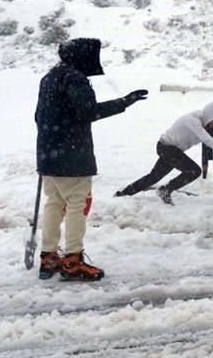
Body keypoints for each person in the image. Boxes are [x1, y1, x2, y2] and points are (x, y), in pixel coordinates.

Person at [35, 38, 148, 281]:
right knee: (77, 205)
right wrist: (124, 102)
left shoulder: (50, 77)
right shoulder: (75, 78)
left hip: (48, 155)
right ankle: (73, 261)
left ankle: (49, 256)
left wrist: (49, 145)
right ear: (82, 57)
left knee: (54, 203)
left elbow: (38, 116)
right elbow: (89, 111)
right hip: (72, 158)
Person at [115, 101, 213, 204]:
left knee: (154, 176)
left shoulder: (207, 123)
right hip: (166, 148)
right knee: (193, 171)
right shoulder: (193, 120)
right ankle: (164, 190)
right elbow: (206, 139)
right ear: (210, 116)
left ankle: (125, 193)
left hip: (172, 150)